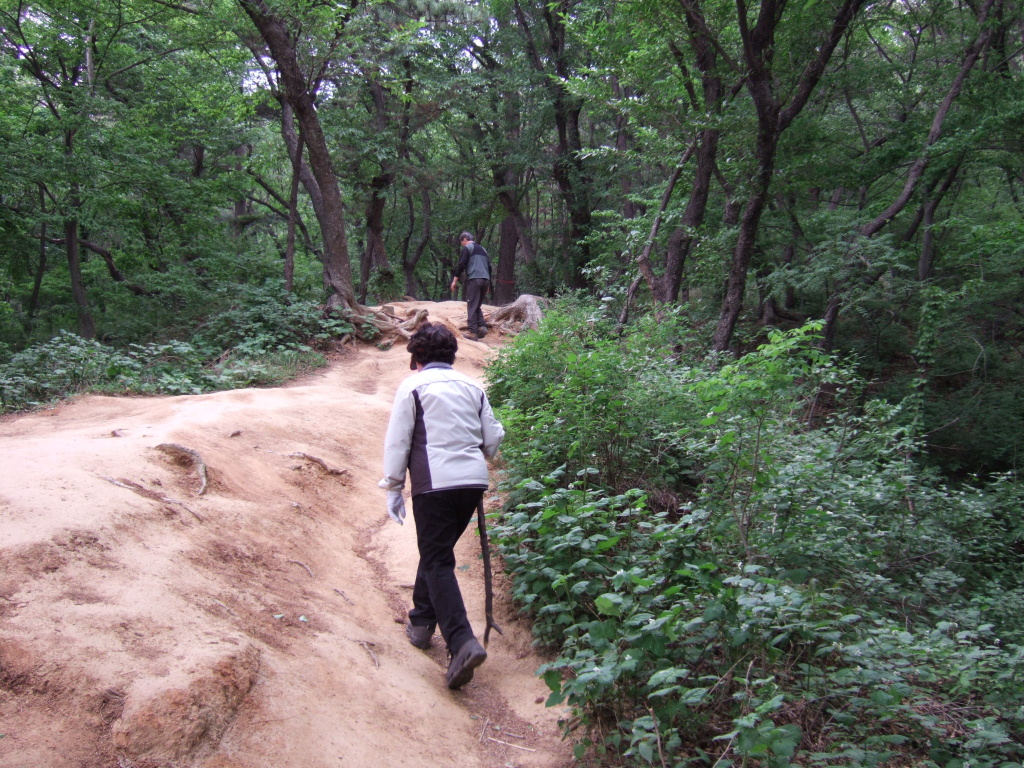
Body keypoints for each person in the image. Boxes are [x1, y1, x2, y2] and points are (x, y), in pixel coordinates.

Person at [378, 322, 506, 689]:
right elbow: (493, 436)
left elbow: (398, 440)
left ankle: (461, 641)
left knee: (436, 559)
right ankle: (420, 623)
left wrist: (392, 488)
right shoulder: (472, 386)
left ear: (417, 356)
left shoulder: (412, 386)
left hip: (434, 484)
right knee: (437, 552)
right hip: (472, 482)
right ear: (451, 355)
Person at [450, 232, 492, 340]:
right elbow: (489, 267)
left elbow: (462, 264)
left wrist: (455, 280)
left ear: (464, 239)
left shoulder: (468, 248)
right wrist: (488, 284)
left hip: (475, 279)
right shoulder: (483, 249)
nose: (462, 244)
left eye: (461, 242)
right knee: (477, 305)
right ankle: (482, 327)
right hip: (485, 279)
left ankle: (472, 332)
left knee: (472, 304)